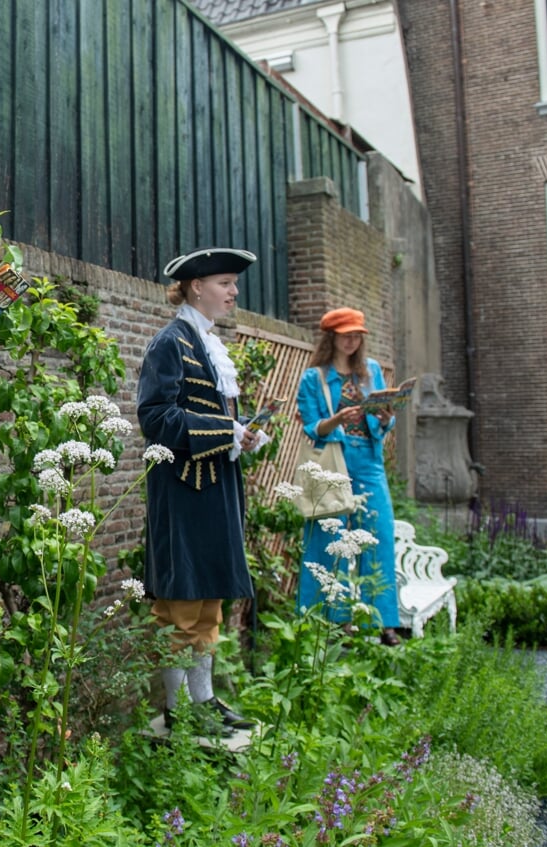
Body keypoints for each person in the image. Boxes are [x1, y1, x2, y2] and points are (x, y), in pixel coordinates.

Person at [137, 247, 270, 735]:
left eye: (233, 284)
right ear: (196, 286)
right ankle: (177, 709)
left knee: (209, 602)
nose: (234, 292)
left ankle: (205, 699)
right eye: (224, 283)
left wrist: (243, 434)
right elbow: (155, 417)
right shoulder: (169, 343)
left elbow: (218, 420)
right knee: (181, 607)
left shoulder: (208, 343)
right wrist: (226, 431)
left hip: (215, 487)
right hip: (183, 491)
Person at [293, 307, 402, 645]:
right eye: (347, 334)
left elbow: (386, 422)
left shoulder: (370, 372)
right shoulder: (315, 378)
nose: (353, 340)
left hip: (369, 461)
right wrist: (337, 419)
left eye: (358, 334)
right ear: (332, 337)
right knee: (328, 539)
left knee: (379, 535)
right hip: (333, 462)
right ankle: (331, 621)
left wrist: (386, 418)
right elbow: (312, 427)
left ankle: (381, 622)